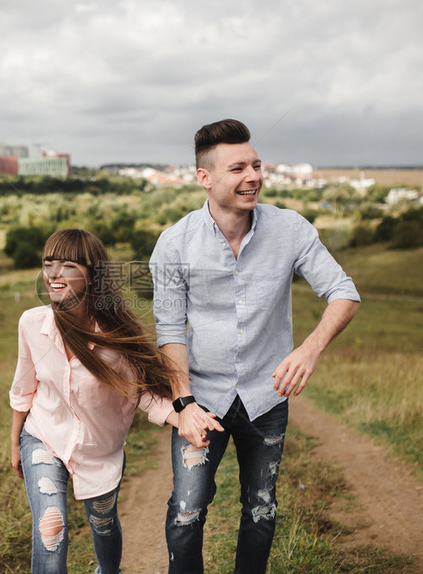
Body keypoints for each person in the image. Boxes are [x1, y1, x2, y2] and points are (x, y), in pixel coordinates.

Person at [150, 119, 360, 573]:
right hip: (201, 400)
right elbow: (169, 330)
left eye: (257, 164)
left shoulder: (291, 229)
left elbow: (344, 292)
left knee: (261, 509)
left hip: (267, 397)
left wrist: (309, 349)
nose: (253, 176)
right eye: (238, 168)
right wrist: (183, 404)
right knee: (187, 512)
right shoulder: (173, 244)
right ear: (204, 177)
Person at [10, 228, 177, 574]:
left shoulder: (118, 337)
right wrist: (15, 444)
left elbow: (146, 392)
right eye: (48, 264)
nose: (54, 274)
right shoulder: (32, 323)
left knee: (103, 523)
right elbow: (24, 387)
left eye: (67, 265)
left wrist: (185, 418)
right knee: (50, 529)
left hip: (99, 451)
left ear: (92, 274)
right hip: (43, 436)